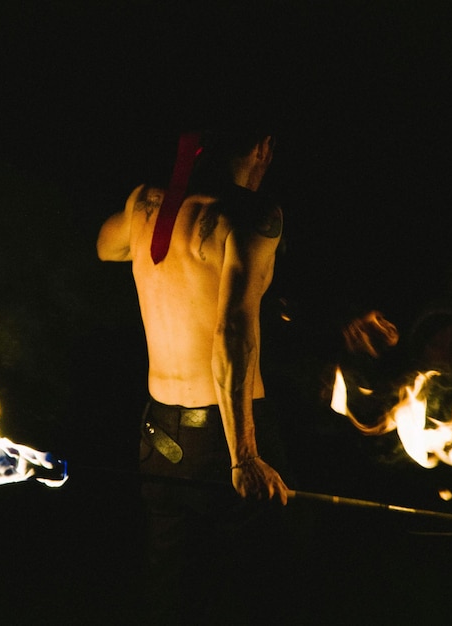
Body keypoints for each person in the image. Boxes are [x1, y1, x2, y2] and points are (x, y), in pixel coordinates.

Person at [97, 128, 290, 622]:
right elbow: (231, 332)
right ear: (262, 148)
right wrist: (243, 454)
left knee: (171, 586)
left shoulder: (145, 205)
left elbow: (105, 246)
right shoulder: (251, 216)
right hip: (226, 436)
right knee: (245, 589)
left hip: (158, 434)